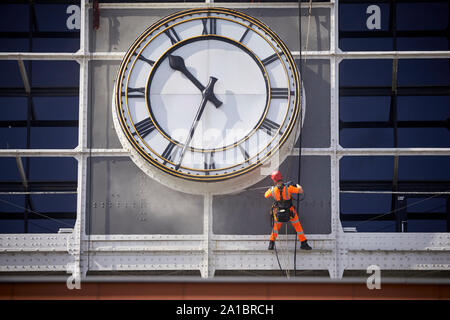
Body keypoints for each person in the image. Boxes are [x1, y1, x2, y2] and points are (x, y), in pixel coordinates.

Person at [264, 170, 312, 251]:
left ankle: (271, 244)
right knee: (298, 227)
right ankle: (304, 243)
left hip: (279, 212)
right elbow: (301, 191)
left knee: (275, 228)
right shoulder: (288, 188)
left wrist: (271, 189)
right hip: (290, 212)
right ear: (281, 178)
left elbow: (265, 195)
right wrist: (296, 185)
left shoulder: (272, 190)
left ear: (274, 180)